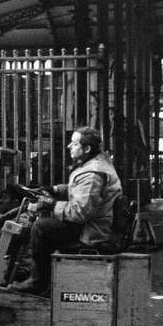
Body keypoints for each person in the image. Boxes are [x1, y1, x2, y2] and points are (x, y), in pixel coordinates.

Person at [9, 126, 123, 295]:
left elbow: (80, 213)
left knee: (41, 228)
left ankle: (38, 282)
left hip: (91, 232)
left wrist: (52, 205)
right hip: (95, 225)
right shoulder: (96, 164)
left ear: (87, 149)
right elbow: (77, 189)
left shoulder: (92, 174)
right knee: (43, 223)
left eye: (74, 144)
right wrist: (54, 189)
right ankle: (32, 271)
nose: (69, 146)